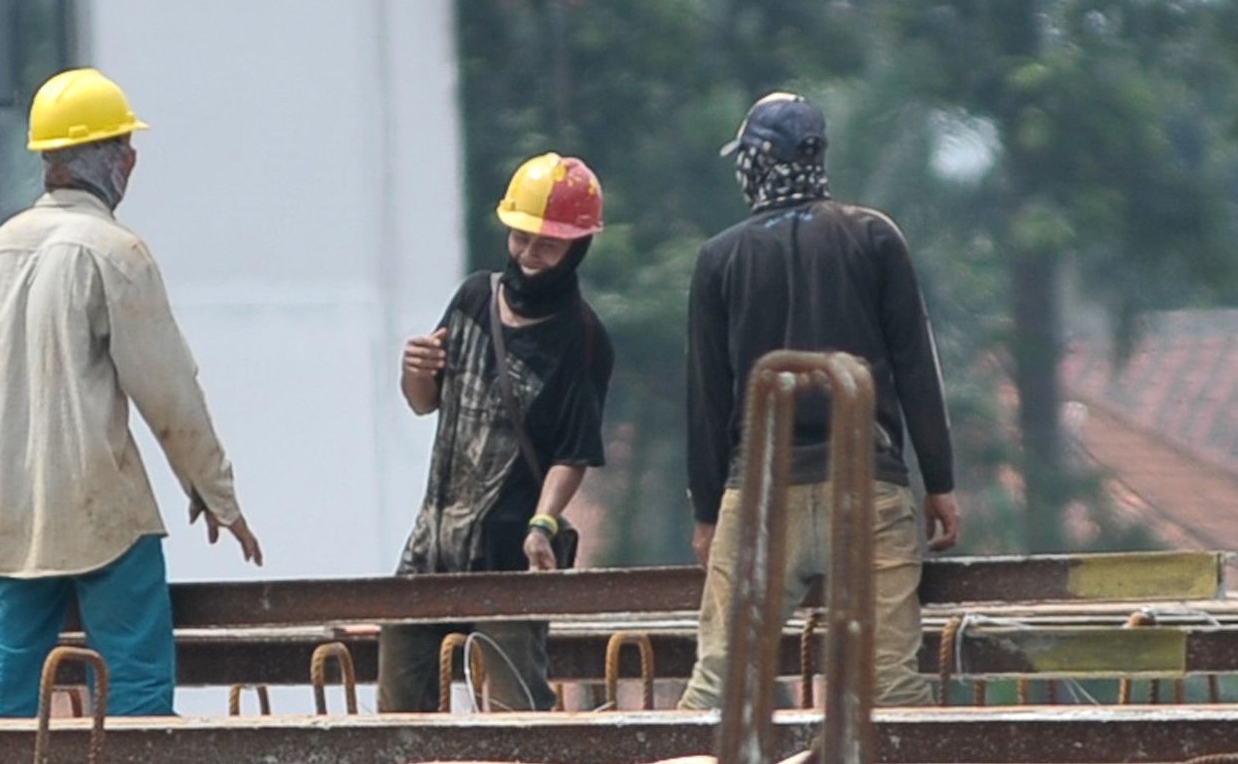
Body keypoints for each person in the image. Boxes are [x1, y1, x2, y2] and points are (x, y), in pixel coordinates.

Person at [0, 68, 258, 720]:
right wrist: (215, 494)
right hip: (104, 509)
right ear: (119, 160)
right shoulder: (115, 251)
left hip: (11, 510)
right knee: (134, 692)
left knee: (1, 686)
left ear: (50, 159)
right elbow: (169, 390)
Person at [680, 93, 960, 714]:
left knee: (718, 688)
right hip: (867, 490)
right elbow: (917, 366)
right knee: (890, 687)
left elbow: (707, 396)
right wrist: (939, 481)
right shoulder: (874, 237)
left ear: (756, 163)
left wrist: (707, 512)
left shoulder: (719, 258)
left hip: (757, 499)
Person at [377, 153, 616, 712]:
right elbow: (424, 403)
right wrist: (413, 373)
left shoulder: (582, 338)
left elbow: (573, 451)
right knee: (400, 698)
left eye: (547, 246)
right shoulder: (471, 299)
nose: (530, 256)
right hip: (432, 542)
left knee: (514, 708)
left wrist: (543, 523)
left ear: (575, 249)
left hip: (511, 548)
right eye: (521, 238)